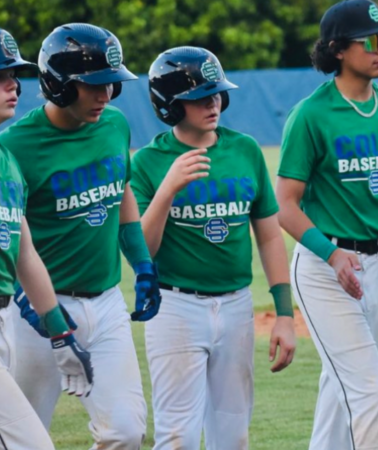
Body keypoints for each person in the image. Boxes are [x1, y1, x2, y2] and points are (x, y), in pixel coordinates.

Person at [275, 1, 378, 448]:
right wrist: (332, 253)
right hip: (325, 269)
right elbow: (284, 204)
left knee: (340, 391)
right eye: (373, 40)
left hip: (372, 266)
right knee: (371, 389)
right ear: (339, 49)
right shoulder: (312, 114)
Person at [0, 23, 158, 449]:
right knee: (18, 437)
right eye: (94, 86)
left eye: (111, 85)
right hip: (37, 312)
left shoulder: (114, 126)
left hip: (105, 304)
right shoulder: (15, 145)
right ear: (59, 85)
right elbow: (4, 233)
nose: (105, 95)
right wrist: (24, 300)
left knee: (125, 432)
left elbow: (120, 189)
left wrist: (141, 262)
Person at [130, 46, 296, 449]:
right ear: (170, 105)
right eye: (199, 97)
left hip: (237, 306)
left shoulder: (245, 150)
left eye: (217, 92)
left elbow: (270, 235)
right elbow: (142, 251)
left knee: (233, 436)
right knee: (176, 437)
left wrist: (285, 314)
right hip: (174, 307)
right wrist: (168, 188)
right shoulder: (149, 162)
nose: (213, 102)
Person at [0, 27, 92, 450]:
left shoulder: (6, 162)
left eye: (15, 74)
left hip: (2, 327)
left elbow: (25, 254)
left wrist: (60, 332)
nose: (14, 84)